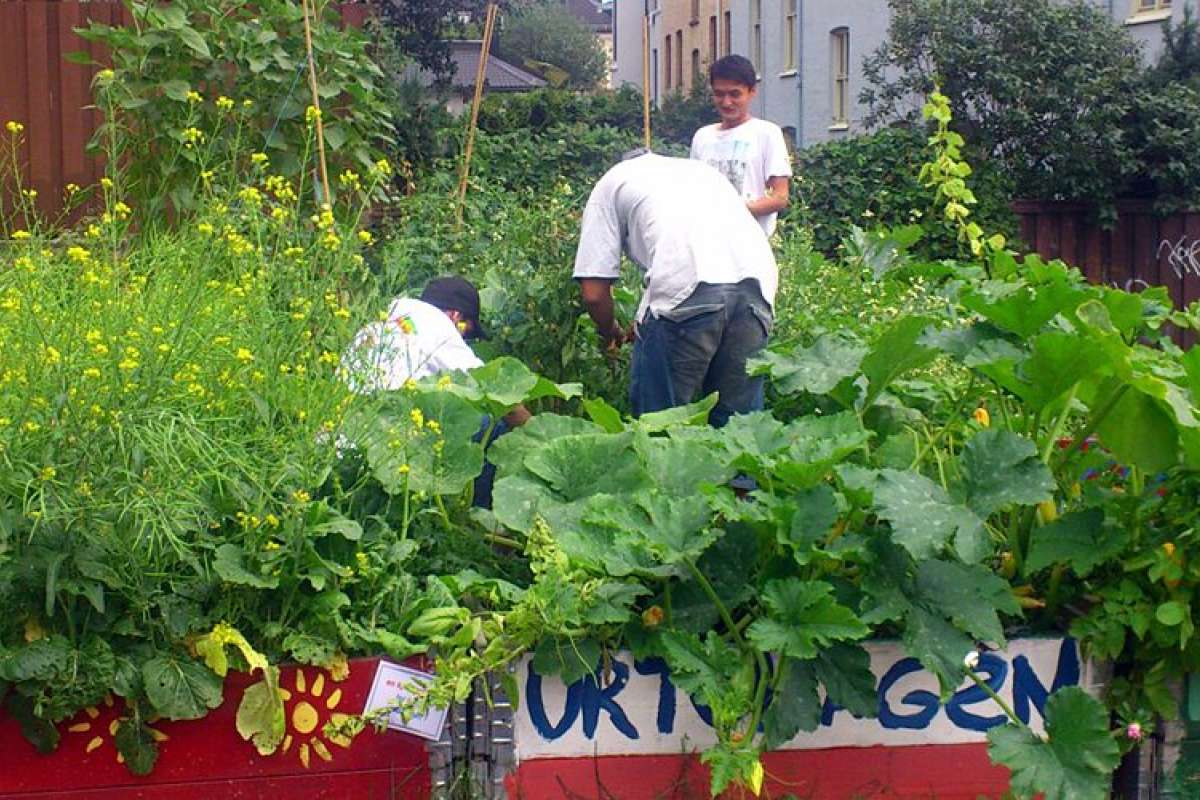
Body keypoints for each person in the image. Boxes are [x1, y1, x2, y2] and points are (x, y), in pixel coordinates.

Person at [574, 151, 777, 428]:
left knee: (661, 429)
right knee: (741, 433)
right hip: (757, 285)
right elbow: (689, 248)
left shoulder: (611, 183)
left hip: (687, 286)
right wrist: (646, 318)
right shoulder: (699, 172)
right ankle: (741, 473)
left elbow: (594, 293)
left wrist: (609, 332)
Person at [341, 276, 528, 506]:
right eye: (466, 333)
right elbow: (491, 390)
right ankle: (480, 523)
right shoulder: (437, 327)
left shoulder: (376, 327)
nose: (464, 340)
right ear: (455, 316)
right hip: (392, 442)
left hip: (346, 444)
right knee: (492, 423)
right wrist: (535, 432)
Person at [690, 54, 792, 237]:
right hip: (707, 242)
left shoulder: (767, 133)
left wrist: (737, 211)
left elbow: (780, 197)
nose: (726, 102)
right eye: (719, 94)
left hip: (752, 244)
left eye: (735, 94)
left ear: (752, 91)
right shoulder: (702, 137)